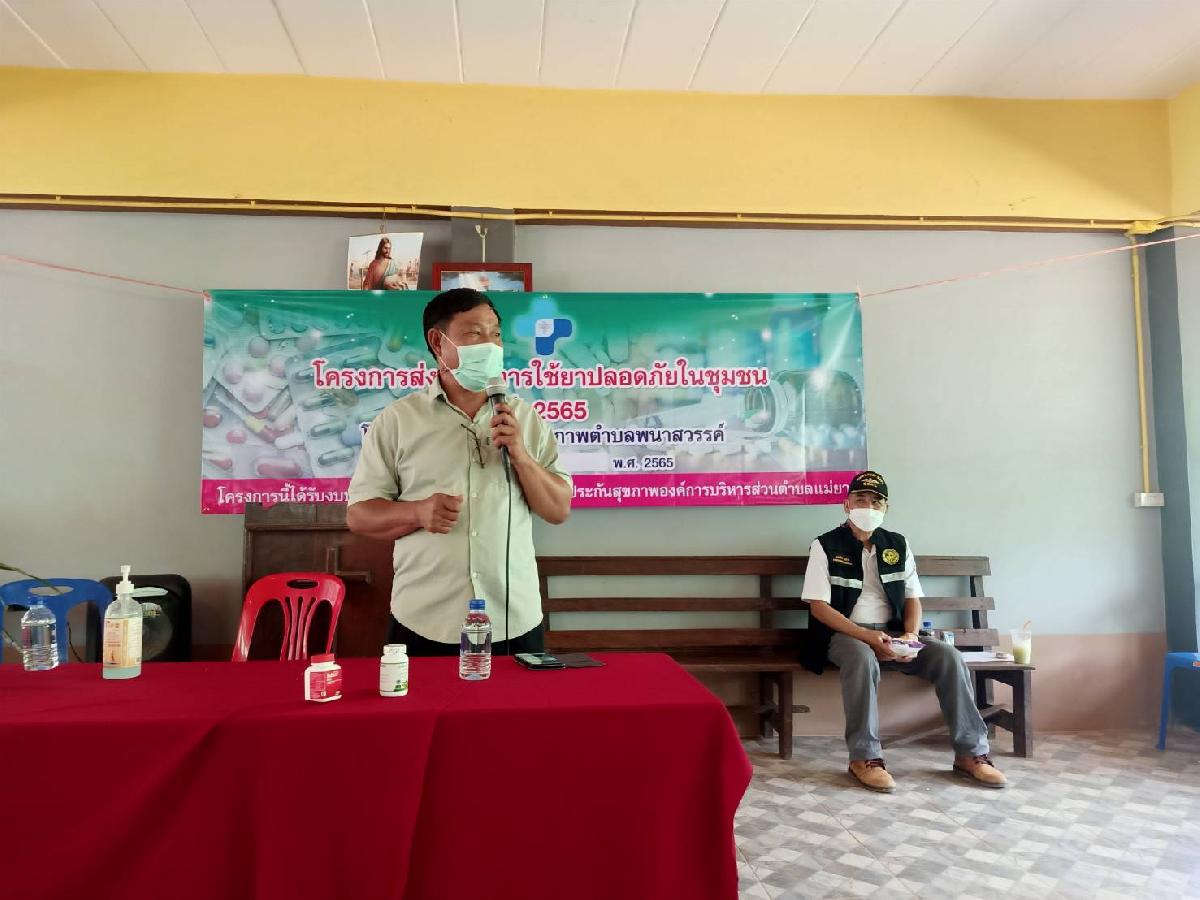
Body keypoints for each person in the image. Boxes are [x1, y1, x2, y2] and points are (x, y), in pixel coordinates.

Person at [346, 288, 572, 654]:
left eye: (495, 334)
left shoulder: (524, 418)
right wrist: (417, 512)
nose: (491, 346)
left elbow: (558, 509)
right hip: (426, 617)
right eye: (475, 334)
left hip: (512, 618)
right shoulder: (398, 421)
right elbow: (359, 515)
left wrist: (521, 455)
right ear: (438, 342)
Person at [799, 470, 1006, 792]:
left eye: (876, 501)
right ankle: (864, 758)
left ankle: (971, 753)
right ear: (846, 505)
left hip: (894, 634)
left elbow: (912, 599)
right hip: (845, 635)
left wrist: (909, 636)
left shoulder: (897, 544)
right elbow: (818, 607)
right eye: (860, 499)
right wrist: (868, 637)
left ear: (885, 508)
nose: (868, 506)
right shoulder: (825, 545)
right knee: (862, 658)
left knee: (949, 658)